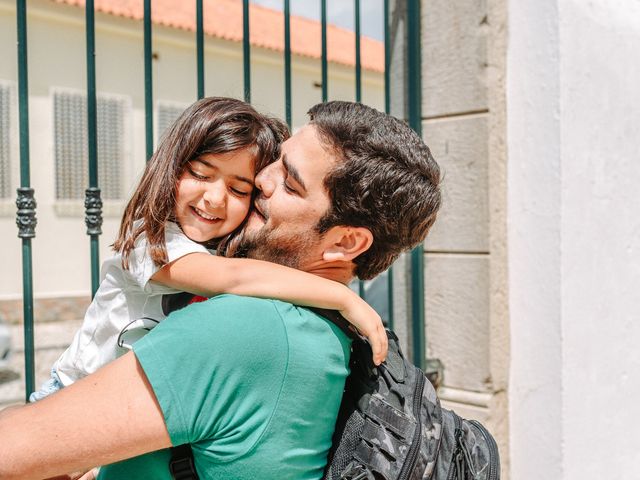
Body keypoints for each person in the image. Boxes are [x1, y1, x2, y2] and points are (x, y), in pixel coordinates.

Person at [0, 101, 442, 480]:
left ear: (346, 242)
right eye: (275, 164)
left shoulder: (243, 328)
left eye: (289, 182)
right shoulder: (333, 331)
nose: (261, 181)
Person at [30, 97, 388, 404]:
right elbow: (229, 278)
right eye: (201, 174)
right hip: (68, 395)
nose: (215, 198)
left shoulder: (227, 249)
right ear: (171, 168)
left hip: (120, 407)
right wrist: (340, 297)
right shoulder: (152, 241)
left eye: (239, 189)